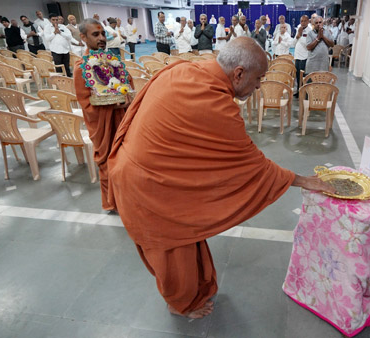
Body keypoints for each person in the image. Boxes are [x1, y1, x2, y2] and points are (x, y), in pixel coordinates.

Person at [106, 36, 334, 319]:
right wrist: (301, 180)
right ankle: (180, 305)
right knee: (173, 249)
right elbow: (251, 165)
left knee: (189, 230)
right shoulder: (215, 102)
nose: (260, 85)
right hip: (147, 186)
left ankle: (196, 287)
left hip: (147, 169)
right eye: (258, 78)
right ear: (239, 74)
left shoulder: (184, 69)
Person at [74, 18, 133, 212]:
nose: (101, 38)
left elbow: (128, 85)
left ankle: (130, 197)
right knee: (108, 162)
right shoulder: (81, 67)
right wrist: (111, 106)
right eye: (95, 34)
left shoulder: (113, 60)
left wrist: (126, 97)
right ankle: (113, 202)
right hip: (104, 124)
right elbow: (85, 103)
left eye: (102, 34)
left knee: (127, 161)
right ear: (83, 37)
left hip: (123, 119)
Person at [293, 15, 311, 92]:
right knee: (297, 75)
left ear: (308, 21)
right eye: (301, 21)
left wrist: (300, 36)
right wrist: (298, 35)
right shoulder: (299, 29)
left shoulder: (310, 31)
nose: (303, 23)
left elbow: (308, 45)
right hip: (297, 56)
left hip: (304, 57)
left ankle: (303, 91)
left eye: (304, 21)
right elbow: (293, 43)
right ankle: (298, 90)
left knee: (303, 76)